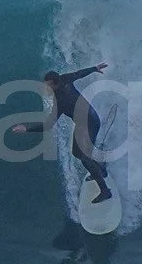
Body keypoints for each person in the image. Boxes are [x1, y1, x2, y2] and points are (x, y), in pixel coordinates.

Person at [42, 64, 114, 205]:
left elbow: (49, 124)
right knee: (76, 152)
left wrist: (26, 129)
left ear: (56, 84)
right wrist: (94, 68)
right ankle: (101, 170)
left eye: (48, 86)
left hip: (90, 124)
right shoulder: (64, 79)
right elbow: (79, 73)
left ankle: (105, 191)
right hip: (85, 123)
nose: (46, 88)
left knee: (85, 158)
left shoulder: (61, 101)